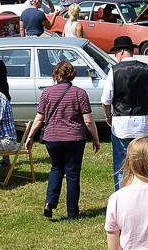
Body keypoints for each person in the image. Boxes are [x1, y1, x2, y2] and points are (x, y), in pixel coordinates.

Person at [24, 59, 99, 219]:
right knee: (73, 174)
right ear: (72, 75)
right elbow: (88, 121)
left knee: (56, 168)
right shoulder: (80, 93)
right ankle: (72, 213)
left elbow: (39, 118)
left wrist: (30, 136)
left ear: (56, 75)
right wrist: (96, 138)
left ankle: (49, 202)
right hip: (75, 138)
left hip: (53, 138)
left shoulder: (47, 93)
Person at [102, 36, 148, 191]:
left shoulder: (114, 70)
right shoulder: (145, 68)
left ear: (121, 51)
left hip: (121, 123)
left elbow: (106, 100)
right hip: (142, 122)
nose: (116, 56)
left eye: (116, 52)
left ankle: (121, 196)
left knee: (121, 165)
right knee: (145, 162)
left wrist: (108, 115)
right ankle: (145, 192)